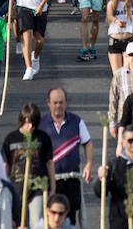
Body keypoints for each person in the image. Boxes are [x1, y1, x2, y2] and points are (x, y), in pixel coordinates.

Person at [39, 87, 93, 225]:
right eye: (55, 102)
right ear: (48, 103)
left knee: (70, 218)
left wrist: (88, 164)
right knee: (50, 219)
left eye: (61, 102)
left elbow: (87, 143)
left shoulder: (76, 121)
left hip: (71, 180)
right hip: (50, 181)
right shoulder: (41, 124)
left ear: (66, 102)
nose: (58, 106)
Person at [2, 103, 55, 227]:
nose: (30, 126)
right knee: (18, 222)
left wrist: (52, 187)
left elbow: (49, 162)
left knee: (36, 222)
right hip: (16, 187)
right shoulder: (11, 138)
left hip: (38, 188)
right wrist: (5, 186)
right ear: (21, 120)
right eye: (26, 122)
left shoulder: (43, 137)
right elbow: (6, 164)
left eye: (33, 123)